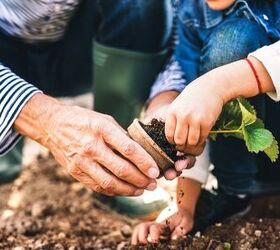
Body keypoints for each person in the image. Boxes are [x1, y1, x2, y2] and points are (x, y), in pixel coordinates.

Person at [0, 0, 195, 195]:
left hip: (80, 50)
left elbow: (179, 27)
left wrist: (165, 98)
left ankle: (116, 164)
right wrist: (42, 118)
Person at [132, 0, 280, 244]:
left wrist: (220, 84)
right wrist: (184, 207)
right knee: (228, 44)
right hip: (256, 164)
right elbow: (194, 114)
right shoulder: (191, 14)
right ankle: (234, 192)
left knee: (233, 39)